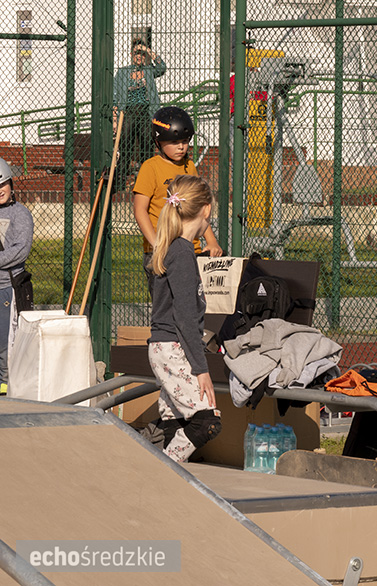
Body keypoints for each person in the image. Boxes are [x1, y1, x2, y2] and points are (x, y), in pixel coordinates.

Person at [148, 174, 221, 462]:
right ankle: (163, 468)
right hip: (173, 348)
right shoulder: (182, 251)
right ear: (207, 209)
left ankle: (168, 472)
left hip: (165, 347)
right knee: (207, 420)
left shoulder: (173, 247)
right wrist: (201, 369)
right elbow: (185, 316)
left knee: (176, 422)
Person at [133, 106, 222, 295]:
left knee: (191, 305)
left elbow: (198, 209)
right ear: (159, 142)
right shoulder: (151, 168)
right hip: (160, 250)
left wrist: (211, 241)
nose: (181, 147)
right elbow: (140, 210)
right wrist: (156, 244)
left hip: (191, 250)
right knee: (165, 308)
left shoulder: (189, 167)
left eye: (184, 141)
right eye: (174, 142)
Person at [113, 38, 167, 191]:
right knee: (125, 146)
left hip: (145, 112)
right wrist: (116, 117)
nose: (140, 56)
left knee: (146, 146)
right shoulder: (123, 72)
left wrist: (149, 50)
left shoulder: (149, 71)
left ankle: (146, 182)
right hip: (128, 112)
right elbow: (115, 95)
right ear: (131, 54)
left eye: (142, 54)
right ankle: (120, 183)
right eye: (137, 53)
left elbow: (162, 67)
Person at [0, 158, 34, 395]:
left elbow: (20, 250)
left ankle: (6, 387)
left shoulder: (20, 214)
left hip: (9, 289)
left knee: (6, 343)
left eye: (3, 185)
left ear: (11, 184)